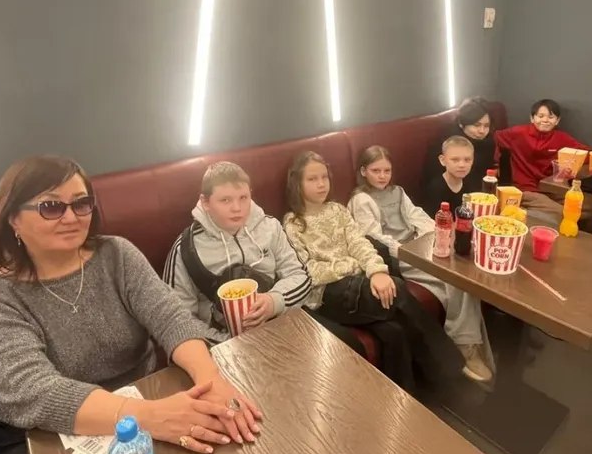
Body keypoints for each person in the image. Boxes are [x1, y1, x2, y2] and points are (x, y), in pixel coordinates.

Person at [0, 156, 261, 454]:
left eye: (80, 203)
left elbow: (170, 317)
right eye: (51, 206)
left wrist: (211, 381)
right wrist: (152, 417)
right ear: (13, 219)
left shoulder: (116, 254)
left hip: (144, 397)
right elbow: (33, 392)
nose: (71, 216)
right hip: (45, 434)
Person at [283, 151, 463, 394]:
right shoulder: (293, 223)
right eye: (312, 179)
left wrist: (377, 271)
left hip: (357, 284)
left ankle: (404, 395)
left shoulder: (337, 210)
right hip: (326, 295)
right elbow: (309, 272)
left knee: (393, 330)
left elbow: (360, 243)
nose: (321, 184)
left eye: (324, 177)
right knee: (399, 289)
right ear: (297, 183)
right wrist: (355, 266)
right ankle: (452, 370)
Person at [163, 161, 367, 358]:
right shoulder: (185, 249)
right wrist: (225, 342)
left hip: (281, 320)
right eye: (225, 200)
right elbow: (177, 319)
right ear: (206, 202)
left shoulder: (270, 227)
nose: (237, 208)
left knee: (349, 346)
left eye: (243, 198)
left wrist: (273, 301)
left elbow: (301, 276)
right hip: (224, 342)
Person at [348, 145, 493, 382]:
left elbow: (416, 214)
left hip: (416, 246)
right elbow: (373, 236)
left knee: (462, 276)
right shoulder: (361, 200)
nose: (382, 176)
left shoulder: (397, 191)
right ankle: (465, 346)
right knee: (453, 281)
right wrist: (406, 250)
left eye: (387, 170)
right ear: (363, 171)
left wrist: (433, 233)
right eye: (376, 171)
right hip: (397, 256)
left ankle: (467, 341)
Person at [491, 98, 592, 233]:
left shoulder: (561, 138)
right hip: (526, 190)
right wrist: (496, 161)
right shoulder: (518, 133)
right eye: (540, 116)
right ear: (532, 118)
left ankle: (587, 241)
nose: (545, 120)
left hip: (552, 189)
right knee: (566, 214)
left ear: (557, 120)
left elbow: (586, 153)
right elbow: (494, 138)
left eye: (551, 117)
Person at [421, 96, 497, 194]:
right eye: (476, 125)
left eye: (486, 126)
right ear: (461, 123)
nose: (482, 131)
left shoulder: (488, 142)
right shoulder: (448, 141)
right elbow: (433, 179)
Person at [421, 135, 475, 217]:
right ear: (442, 160)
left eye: (467, 160)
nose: (462, 165)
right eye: (455, 160)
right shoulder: (435, 188)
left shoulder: (472, 184)